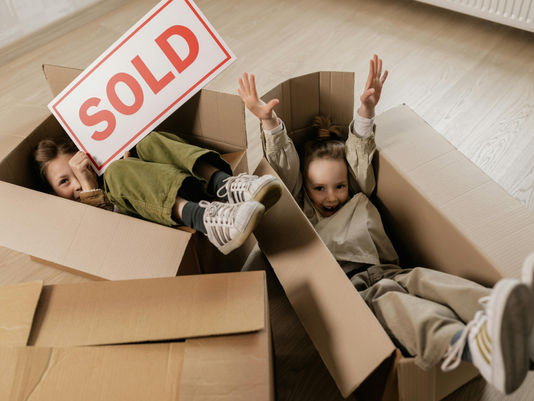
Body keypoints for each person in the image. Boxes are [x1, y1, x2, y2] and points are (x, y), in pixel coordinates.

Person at [238, 55, 534, 395]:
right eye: (319, 188)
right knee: (398, 305)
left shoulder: (358, 193)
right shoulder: (305, 209)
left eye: (339, 186)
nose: (331, 196)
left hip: (390, 270)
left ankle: (511, 317)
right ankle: (467, 345)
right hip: (357, 288)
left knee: (427, 280)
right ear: (306, 189)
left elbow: (360, 153)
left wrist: (366, 111)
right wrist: (270, 121)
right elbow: (284, 169)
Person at [34, 130, 282, 255]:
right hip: (151, 226)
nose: (76, 184)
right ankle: (208, 222)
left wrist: (136, 162)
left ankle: (226, 185)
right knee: (117, 172)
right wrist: (89, 186)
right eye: (64, 181)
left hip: (185, 187)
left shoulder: (110, 171)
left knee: (146, 140)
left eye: (79, 171)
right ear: (53, 192)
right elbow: (102, 232)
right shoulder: (76, 209)